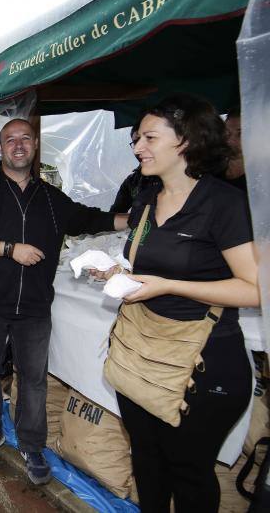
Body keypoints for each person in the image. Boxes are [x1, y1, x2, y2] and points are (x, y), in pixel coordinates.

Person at [96, 94, 258, 512]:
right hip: (141, 355)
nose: (137, 148)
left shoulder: (224, 204)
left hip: (201, 366)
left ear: (185, 140)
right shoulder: (147, 199)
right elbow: (143, 264)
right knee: (148, 463)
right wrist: (117, 274)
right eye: (137, 139)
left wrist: (171, 285)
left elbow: (256, 288)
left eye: (149, 137)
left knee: (189, 473)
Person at [0, 119, 129, 480]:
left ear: (34, 146)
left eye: (25, 139)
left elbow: (89, 219)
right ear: (1, 148)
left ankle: (32, 446)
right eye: (10, 140)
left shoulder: (49, 197)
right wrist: (9, 249)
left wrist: (137, 218)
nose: (18, 145)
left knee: (33, 379)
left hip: (33, 307)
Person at [110, 112, 159, 213]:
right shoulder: (132, 182)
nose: (138, 149)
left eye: (149, 140)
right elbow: (116, 213)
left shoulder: (187, 177)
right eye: (136, 142)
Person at [224, 107, 247, 191]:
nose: (229, 140)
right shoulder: (211, 167)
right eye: (227, 133)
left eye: (240, 134)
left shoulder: (261, 178)